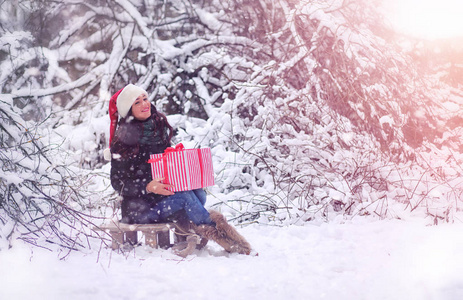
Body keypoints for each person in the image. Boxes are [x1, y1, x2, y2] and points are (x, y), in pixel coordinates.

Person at [105, 84, 251, 256]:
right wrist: (148, 186)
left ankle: (211, 230)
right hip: (140, 209)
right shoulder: (123, 139)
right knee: (185, 198)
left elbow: (161, 166)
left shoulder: (156, 128)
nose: (144, 104)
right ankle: (229, 242)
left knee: (199, 193)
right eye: (137, 103)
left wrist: (177, 162)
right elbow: (118, 183)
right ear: (129, 111)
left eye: (145, 98)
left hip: (161, 197)